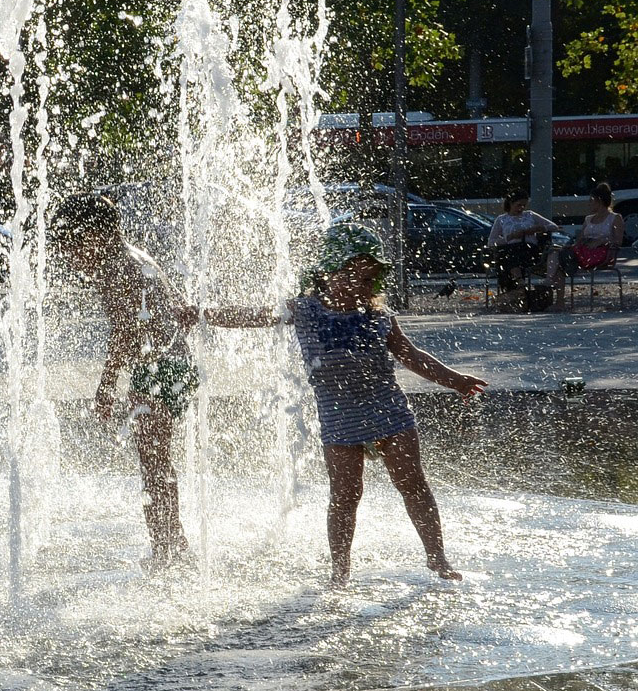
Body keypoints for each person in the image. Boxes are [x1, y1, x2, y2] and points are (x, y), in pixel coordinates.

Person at [182, 223, 485, 587]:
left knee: (413, 485)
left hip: (388, 410)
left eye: (368, 278)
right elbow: (253, 316)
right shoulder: (305, 310)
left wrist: (456, 380)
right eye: (352, 275)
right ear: (327, 272)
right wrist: (202, 314)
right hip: (340, 420)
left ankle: (437, 558)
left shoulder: (379, 316)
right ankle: (340, 571)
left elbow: (412, 356)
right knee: (345, 496)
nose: (359, 285)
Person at [47, 194, 193, 571]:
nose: (70, 258)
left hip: (160, 370)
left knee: (153, 464)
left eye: (71, 246)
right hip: (173, 364)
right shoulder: (135, 257)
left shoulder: (115, 267)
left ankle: (167, 549)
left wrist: (106, 386)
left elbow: (124, 331)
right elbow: (172, 308)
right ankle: (172, 541)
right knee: (158, 461)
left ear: (94, 235)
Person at [548, 182, 625, 307]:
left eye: (591, 201)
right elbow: (580, 240)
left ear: (599, 201)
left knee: (559, 258)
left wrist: (602, 240)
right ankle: (559, 300)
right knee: (556, 254)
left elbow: (618, 241)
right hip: (584, 252)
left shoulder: (615, 218)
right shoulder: (588, 219)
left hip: (602, 254)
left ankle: (550, 281)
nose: (589, 204)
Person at [487, 190, 559, 310]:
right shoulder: (501, 219)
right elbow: (491, 242)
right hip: (510, 248)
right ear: (511, 203)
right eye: (518, 205)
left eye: (523, 205)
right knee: (506, 252)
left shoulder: (529, 215)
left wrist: (538, 228)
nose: (521, 208)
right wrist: (510, 237)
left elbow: (554, 226)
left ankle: (518, 282)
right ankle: (518, 282)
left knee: (512, 253)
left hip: (528, 249)